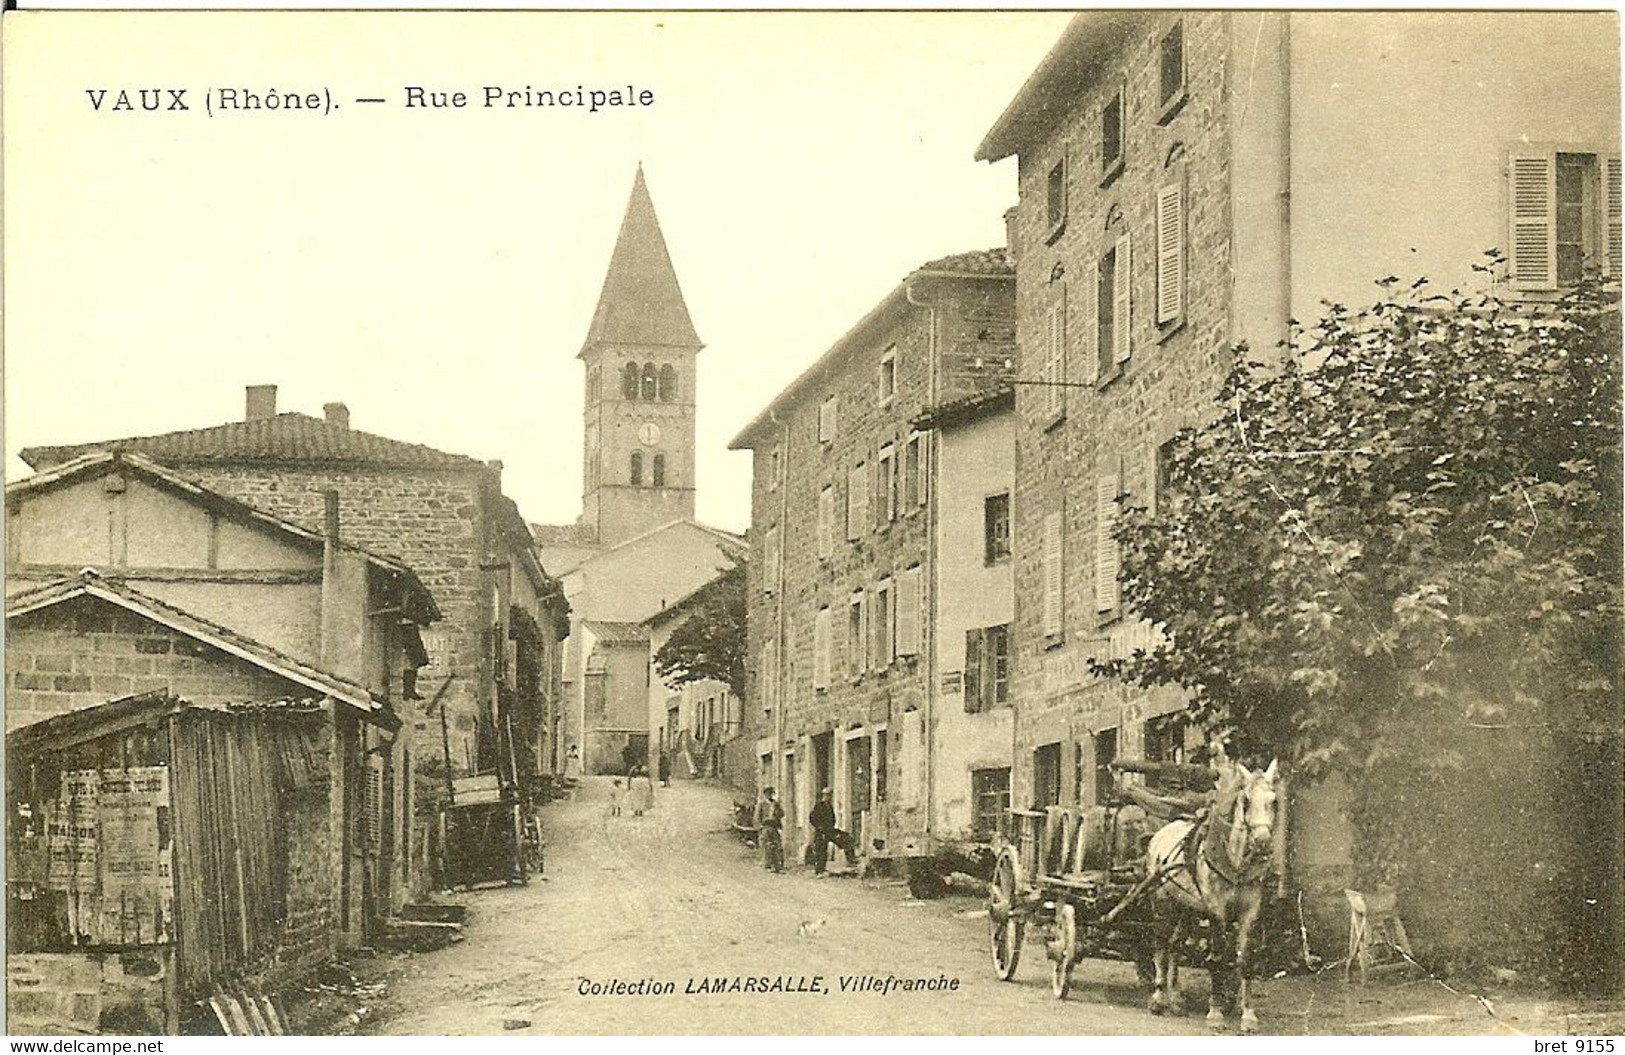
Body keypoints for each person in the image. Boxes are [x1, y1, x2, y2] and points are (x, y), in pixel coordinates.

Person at [808, 787, 857, 876]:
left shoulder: (829, 806)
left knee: (846, 838)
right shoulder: (819, 805)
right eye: (828, 795)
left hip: (829, 830)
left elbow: (832, 818)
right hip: (821, 831)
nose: (829, 797)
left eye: (830, 795)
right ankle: (819, 870)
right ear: (824, 796)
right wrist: (819, 827)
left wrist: (831, 828)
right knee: (821, 850)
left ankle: (851, 860)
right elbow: (812, 818)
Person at [755, 787, 785, 873]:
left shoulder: (775, 804)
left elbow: (781, 814)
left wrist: (778, 810)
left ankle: (778, 866)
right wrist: (759, 826)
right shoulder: (761, 804)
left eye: (771, 793)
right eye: (767, 794)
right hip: (765, 826)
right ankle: (768, 864)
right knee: (767, 845)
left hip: (774, 826)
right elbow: (757, 816)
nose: (769, 795)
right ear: (765, 795)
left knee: (777, 845)